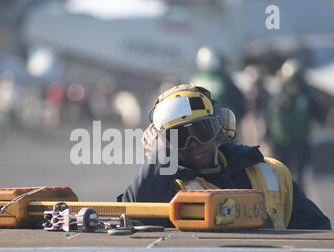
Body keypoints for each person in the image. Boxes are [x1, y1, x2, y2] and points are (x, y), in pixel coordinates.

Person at [117, 83, 331, 230]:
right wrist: (160, 155)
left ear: (221, 127)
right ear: (162, 144)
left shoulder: (272, 173)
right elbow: (135, 215)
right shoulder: (166, 188)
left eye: (201, 131)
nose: (193, 144)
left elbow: (318, 234)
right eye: (178, 137)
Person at [267, 58, 326, 189]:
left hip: (300, 142)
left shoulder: (306, 96)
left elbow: (318, 113)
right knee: (279, 175)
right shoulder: (277, 96)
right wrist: (267, 135)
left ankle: (298, 204)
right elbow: (270, 117)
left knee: (298, 176)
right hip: (280, 142)